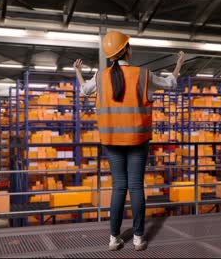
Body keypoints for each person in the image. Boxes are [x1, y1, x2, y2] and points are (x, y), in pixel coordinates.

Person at [74, 30, 185, 251]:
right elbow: (171, 83)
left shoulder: (100, 76)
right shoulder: (143, 74)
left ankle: (114, 239)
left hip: (112, 140)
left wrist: (78, 72)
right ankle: (137, 239)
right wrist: (179, 64)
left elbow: (85, 90)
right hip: (137, 139)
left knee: (118, 188)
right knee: (135, 187)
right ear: (126, 50)